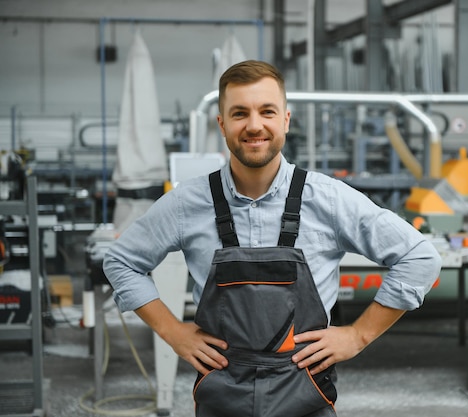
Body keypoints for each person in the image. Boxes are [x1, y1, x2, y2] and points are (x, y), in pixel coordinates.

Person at [103, 59, 442, 417]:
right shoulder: (188, 204)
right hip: (223, 393)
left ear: (285, 120)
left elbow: (420, 257)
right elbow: (121, 261)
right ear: (221, 124)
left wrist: (357, 336)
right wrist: (173, 332)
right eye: (239, 113)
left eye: (267, 111)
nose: (254, 125)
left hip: (305, 392)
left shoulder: (327, 199)